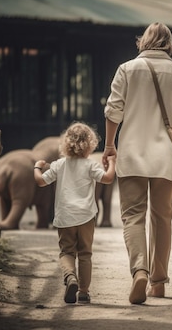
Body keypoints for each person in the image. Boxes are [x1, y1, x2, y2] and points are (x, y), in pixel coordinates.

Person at [102, 22, 172, 305]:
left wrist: (109, 145)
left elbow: (113, 110)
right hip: (166, 158)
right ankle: (157, 283)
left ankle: (139, 270)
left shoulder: (126, 69)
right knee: (162, 218)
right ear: (169, 44)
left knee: (132, 216)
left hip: (132, 152)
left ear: (142, 41)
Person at [34, 122, 116, 304]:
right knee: (85, 254)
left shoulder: (58, 165)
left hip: (65, 217)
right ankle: (84, 292)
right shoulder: (90, 165)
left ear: (65, 144)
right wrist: (111, 163)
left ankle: (70, 277)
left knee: (67, 252)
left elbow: (41, 182)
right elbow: (108, 178)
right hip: (86, 217)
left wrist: (37, 168)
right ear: (90, 145)